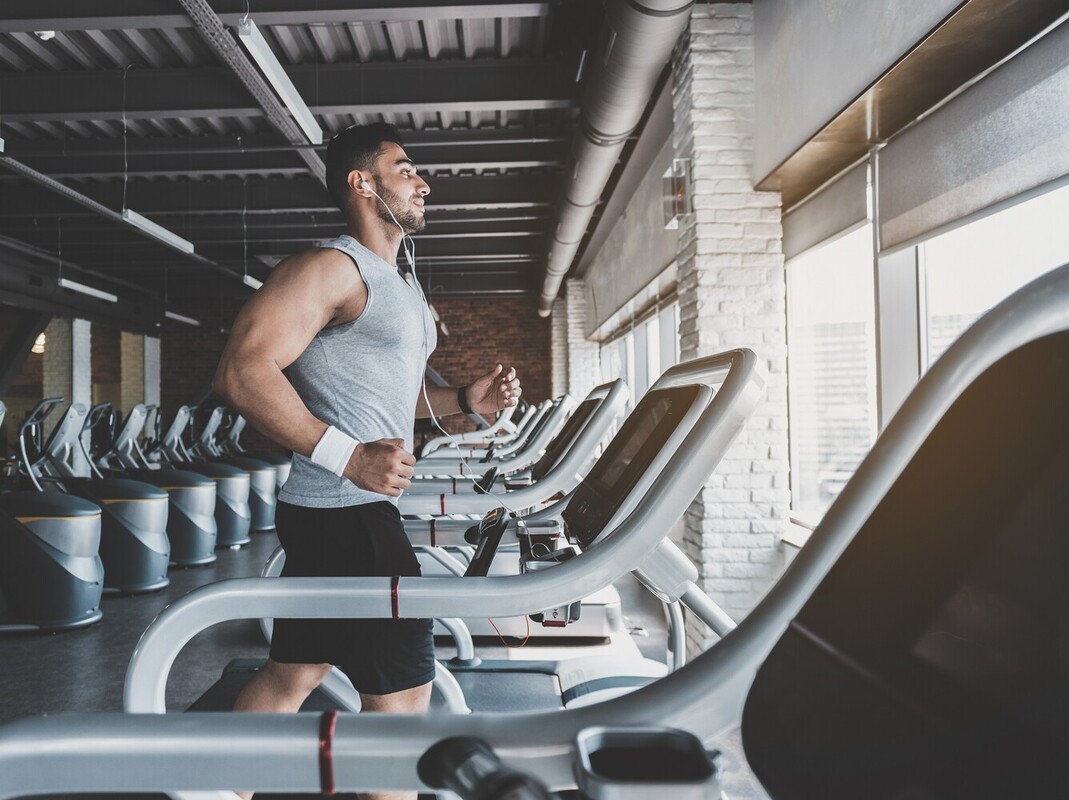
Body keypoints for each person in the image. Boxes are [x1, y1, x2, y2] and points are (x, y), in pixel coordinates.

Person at [212, 122, 522, 800]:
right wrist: (348, 457)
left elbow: (393, 401)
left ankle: (218, 791)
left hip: (338, 512)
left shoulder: (399, 286)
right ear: (362, 184)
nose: (423, 182)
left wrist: (464, 402)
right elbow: (241, 370)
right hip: (347, 514)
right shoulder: (331, 268)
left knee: (293, 672)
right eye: (405, 169)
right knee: (401, 711)